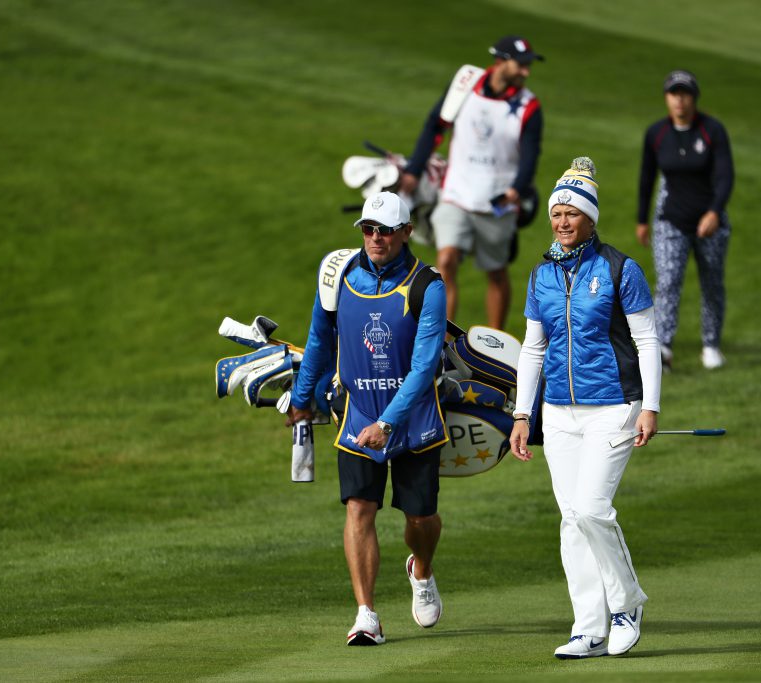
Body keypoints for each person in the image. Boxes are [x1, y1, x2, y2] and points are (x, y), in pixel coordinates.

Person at [509, 157, 661, 659]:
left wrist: (650, 406)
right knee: (572, 518)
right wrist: (522, 414)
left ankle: (627, 603)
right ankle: (588, 628)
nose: (563, 220)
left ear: (591, 217)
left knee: (594, 509)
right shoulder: (541, 275)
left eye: (573, 212)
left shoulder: (620, 268)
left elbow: (646, 341)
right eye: (557, 212)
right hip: (558, 413)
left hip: (614, 406)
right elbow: (533, 349)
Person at [286, 191, 448, 646]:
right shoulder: (339, 274)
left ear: (406, 234)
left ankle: (422, 568)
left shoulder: (428, 286)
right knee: (360, 508)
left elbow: (423, 368)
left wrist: (390, 423)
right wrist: (303, 398)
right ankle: (366, 615)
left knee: (421, 519)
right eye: (368, 229)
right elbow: (319, 339)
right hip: (357, 412)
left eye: (385, 231)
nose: (375, 238)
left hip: (413, 419)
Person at [399, 35, 545, 330]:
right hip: (456, 194)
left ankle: (494, 342)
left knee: (495, 273)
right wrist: (414, 170)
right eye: (521, 65)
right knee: (447, 260)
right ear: (501, 62)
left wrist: (518, 188)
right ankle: (443, 338)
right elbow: (435, 125)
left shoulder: (530, 107)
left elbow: (531, 155)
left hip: (498, 203)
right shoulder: (465, 87)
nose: (526, 72)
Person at [636, 69, 734, 370]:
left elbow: (725, 176)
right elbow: (647, 178)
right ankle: (663, 347)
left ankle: (711, 344)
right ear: (666, 98)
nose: (679, 101)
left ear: (694, 98)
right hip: (671, 219)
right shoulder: (657, 134)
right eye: (674, 94)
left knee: (712, 283)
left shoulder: (711, 131)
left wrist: (715, 212)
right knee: (667, 281)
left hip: (710, 220)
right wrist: (642, 220)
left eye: (685, 94)